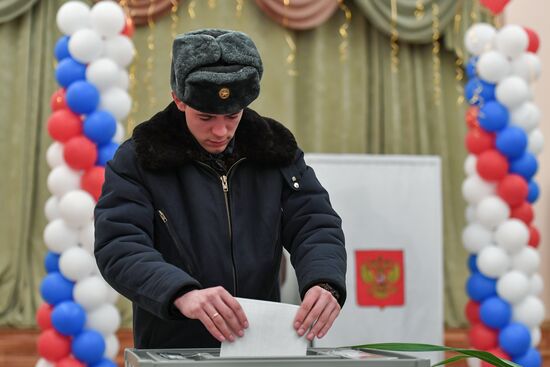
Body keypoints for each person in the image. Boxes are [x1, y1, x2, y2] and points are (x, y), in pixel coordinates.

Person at [94, 28, 347, 349]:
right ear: (178, 99)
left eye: (232, 116)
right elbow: (119, 245)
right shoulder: (139, 158)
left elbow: (315, 223)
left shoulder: (274, 149)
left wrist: (324, 281)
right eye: (205, 117)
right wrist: (182, 293)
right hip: (173, 348)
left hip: (260, 347)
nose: (220, 130)